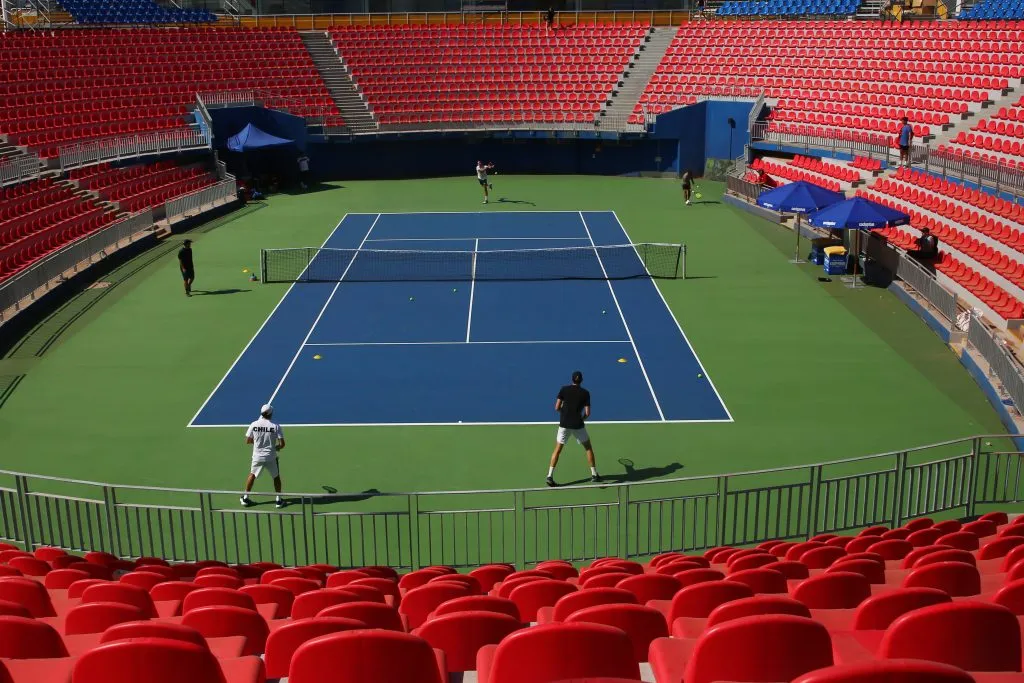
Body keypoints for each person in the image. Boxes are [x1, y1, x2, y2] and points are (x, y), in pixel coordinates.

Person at [547, 371, 599, 487]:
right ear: (581, 380)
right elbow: (587, 413)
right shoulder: (585, 393)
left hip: (564, 424)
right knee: (588, 448)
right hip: (578, 425)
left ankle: (550, 476)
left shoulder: (564, 389)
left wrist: (564, 413)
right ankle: (594, 474)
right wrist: (581, 419)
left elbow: (556, 407)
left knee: (558, 450)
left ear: (572, 379)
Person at [241, 403, 286, 509]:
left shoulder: (253, 424)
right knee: (276, 477)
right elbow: (282, 444)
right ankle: (278, 500)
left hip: (257, 457)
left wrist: (258, 443)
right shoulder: (276, 426)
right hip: (271, 457)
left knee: (252, 475)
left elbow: (248, 440)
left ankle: (245, 498)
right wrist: (277, 447)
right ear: (270, 414)